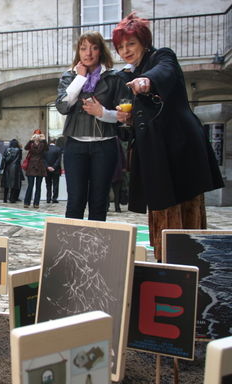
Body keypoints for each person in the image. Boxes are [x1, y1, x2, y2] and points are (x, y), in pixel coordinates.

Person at [112, 13, 224, 260]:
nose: (125, 50)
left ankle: (192, 260)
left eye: (130, 43)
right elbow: (142, 113)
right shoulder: (129, 73)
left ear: (143, 41)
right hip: (154, 150)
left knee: (187, 204)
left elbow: (164, 71)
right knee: (161, 207)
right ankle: (166, 259)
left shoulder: (161, 56)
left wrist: (147, 80)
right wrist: (127, 118)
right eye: (120, 46)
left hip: (180, 145)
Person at [55, 31, 129, 221]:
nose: (88, 53)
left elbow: (124, 116)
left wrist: (102, 112)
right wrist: (80, 79)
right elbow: (63, 106)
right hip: (75, 145)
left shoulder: (115, 78)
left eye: (94, 48)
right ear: (78, 52)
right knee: (75, 201)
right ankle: (71, 248)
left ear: (101, 51)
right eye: (83, 48)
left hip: (105, 146)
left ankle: (95, 248)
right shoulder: (69, 76)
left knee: (99, 201)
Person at [23, 131, 48, 208]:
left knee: (38, 186)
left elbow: (47, 149)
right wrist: (31, 140)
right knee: (30, 185)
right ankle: (26, 202)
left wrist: (44, 140)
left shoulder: (43, 144)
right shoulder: (31, 143)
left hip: (40, 166)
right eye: (36, 135)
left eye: (39, 135)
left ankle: (36, 203)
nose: (37, 136)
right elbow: (25, 148)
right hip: (31, 166)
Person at [0, 139, 23, 203]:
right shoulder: (19, 150)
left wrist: (1, 167)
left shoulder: (7, 149)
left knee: (6, 184)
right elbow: (19, 159)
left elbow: (3, 159)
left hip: (7, 168)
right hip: (15, 168)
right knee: (14, 184)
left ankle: (5, 199)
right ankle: (12, 198)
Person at [45, 138, 63, 203]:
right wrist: (54, 167)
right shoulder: (58, 149)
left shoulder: (45, 149)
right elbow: (59, 159)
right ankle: (54, 198)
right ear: (55, 142)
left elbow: (43, 159)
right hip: (56, 170)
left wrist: (47, 167)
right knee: (55, 184)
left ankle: (48, 198)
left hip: (47, 170)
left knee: (48, 184)